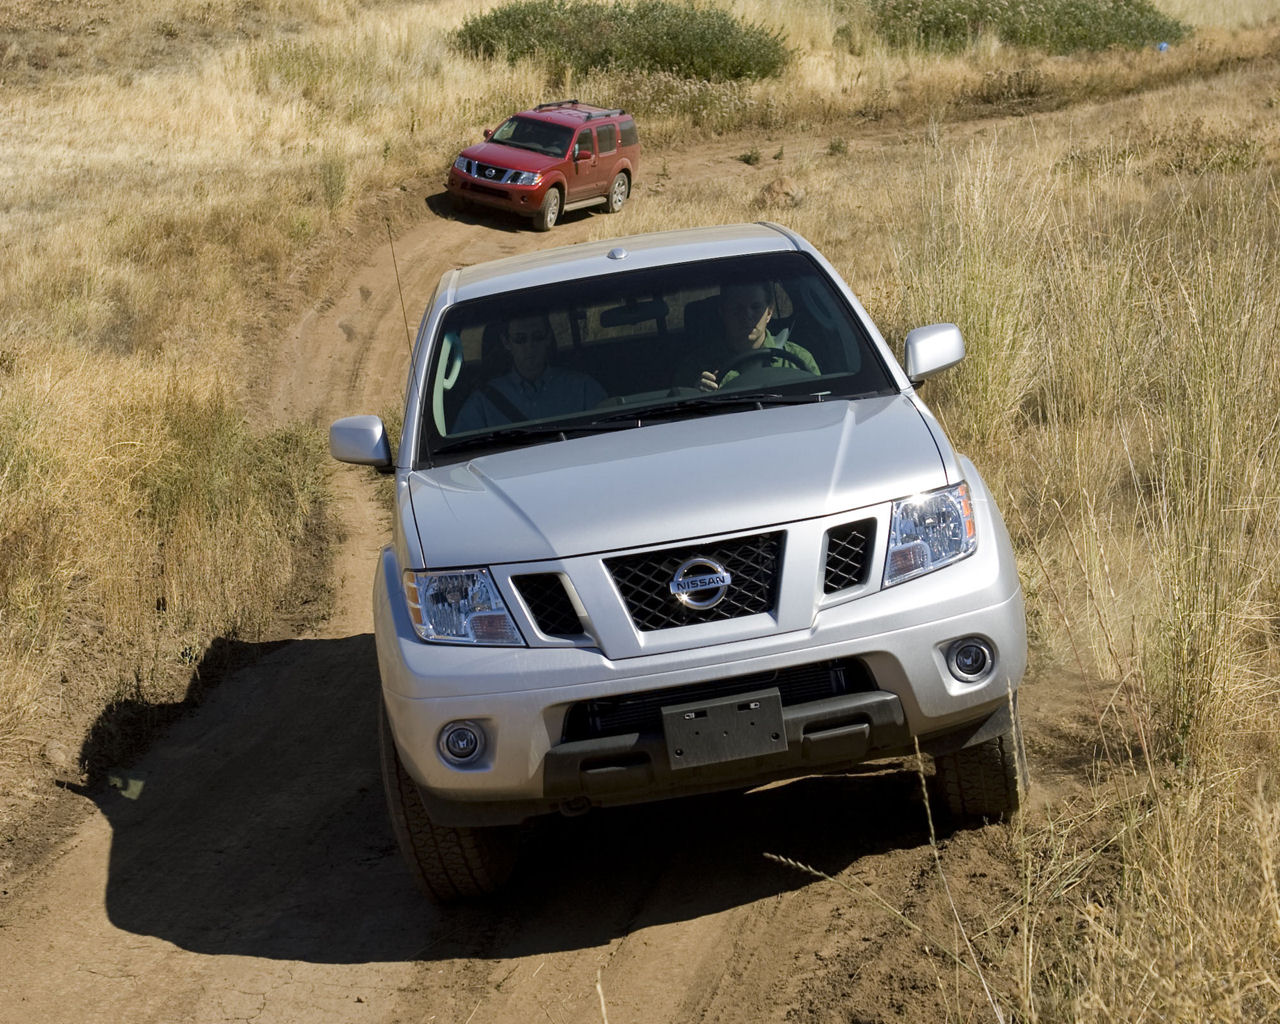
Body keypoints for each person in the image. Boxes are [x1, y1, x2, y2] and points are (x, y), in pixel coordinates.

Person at [453, 314, 606, 432]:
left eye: (537, 337)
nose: (530, 346)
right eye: (520, 339)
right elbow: (459, 452)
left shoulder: (583, 388)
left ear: (548, 339)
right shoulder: (482, 402)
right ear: (507, 343)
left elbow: (607, 434)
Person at [677, 281, 819, 391]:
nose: (747, 316)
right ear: (723, 312)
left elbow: (822, 405)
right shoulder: (696, 367)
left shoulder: (798, 359)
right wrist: (695, 397)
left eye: (756, 307)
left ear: (769, 312)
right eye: (737, 309)